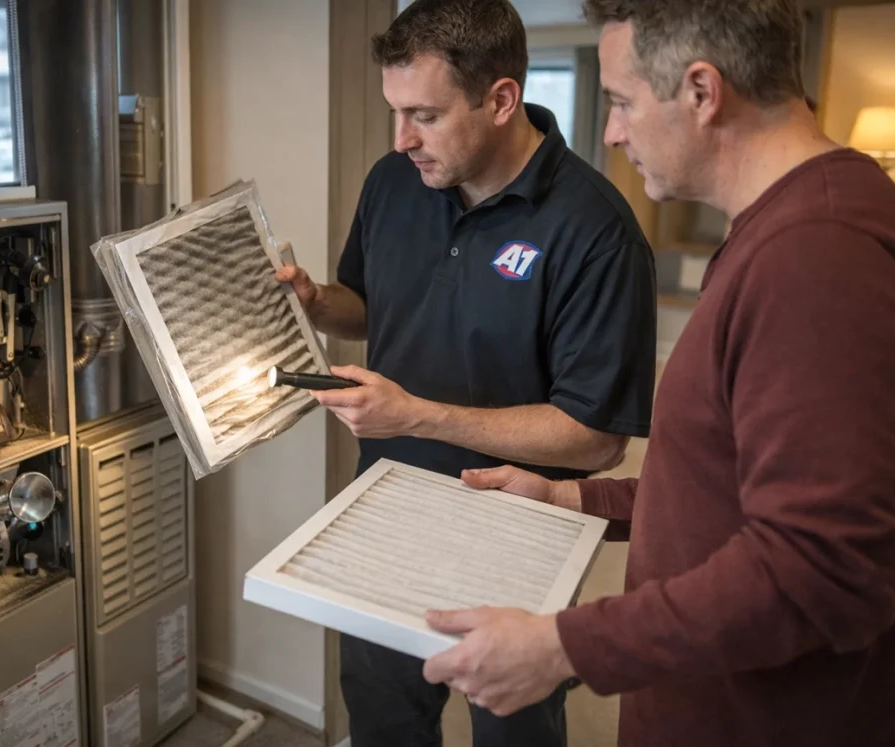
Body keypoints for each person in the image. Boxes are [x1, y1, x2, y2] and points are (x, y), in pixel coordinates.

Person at [420, 1, 895, 746]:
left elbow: (823, 570)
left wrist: (564, 645)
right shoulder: (788, 227)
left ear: (702, 92)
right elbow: (726, 487)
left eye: (619, 101)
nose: (610, 132)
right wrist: (571, 494)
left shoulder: (817, 257)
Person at [274, 0, 657, 744]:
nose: (401, 139)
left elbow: (596, 439)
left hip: (518, 530)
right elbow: (373, 307)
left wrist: (417, 413)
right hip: (384, 509)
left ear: (501, 99)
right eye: (395, 111)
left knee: (513, 726)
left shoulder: (598, 233)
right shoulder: (393, 182)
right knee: (384, 715)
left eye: (425, 114)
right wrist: (321, 303)